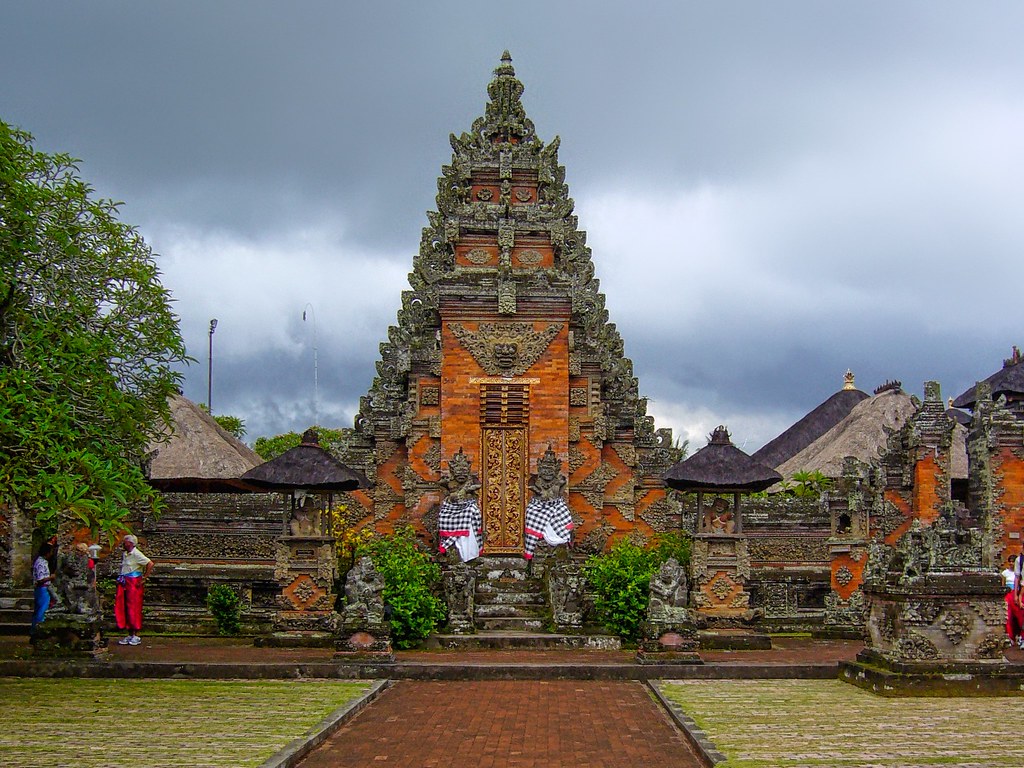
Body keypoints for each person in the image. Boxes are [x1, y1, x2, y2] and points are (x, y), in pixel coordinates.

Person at [114, 534, 154, 646]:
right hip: (125, 581)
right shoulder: (126, 554)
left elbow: (150, 564)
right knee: (124, 607)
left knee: (134, 607)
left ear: (130, 543)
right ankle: (129, 632)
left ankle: (135, 633)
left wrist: (144, 578)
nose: (123, 544)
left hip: (133, 582)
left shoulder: (137, 554)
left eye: (125, 542)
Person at [30, 542, 55, 639]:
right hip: (42, 588)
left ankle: (34, 630)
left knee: (39, 609)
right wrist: (51, 577)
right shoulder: (41, 562)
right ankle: (38, 630)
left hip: (42, 588)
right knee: (42, 610)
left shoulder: (42, 561)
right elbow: (40, 579)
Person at [1003, 553, 1024, 649]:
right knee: (1009, 616)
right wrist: (1017, 595)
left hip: (1019, 593)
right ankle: (1010, 637)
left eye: (1013, 562)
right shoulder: (1005, 573)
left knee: (1020, 617)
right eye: (1010, 562)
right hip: (1010, 595)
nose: (1011, 564)